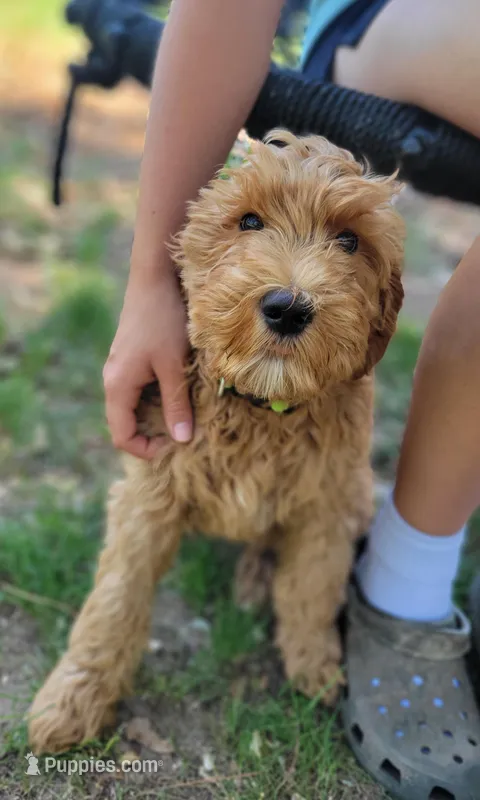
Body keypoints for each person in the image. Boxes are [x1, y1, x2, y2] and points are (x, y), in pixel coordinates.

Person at [102, 0, 480, 795]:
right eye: (251, 224)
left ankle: (341, 612)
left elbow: (324, 520)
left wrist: (311, 641)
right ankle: (404, 587)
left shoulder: (348, 388)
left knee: (326, 512)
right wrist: (149, 286)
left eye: (346, 243)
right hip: (376, 21)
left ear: (382, 315)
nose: (298, 283)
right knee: (151, 508)